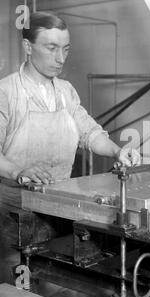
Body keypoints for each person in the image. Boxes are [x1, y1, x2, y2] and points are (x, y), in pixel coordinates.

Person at [0, 11, 140, 185]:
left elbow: (90, 133)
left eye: (65, 50)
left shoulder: (66, 91)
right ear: (28, 47)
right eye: (51, 49)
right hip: (12, 203)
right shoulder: (6, 92)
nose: (60, 59)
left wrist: (117, 151)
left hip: (59, 196)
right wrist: (18, 172)